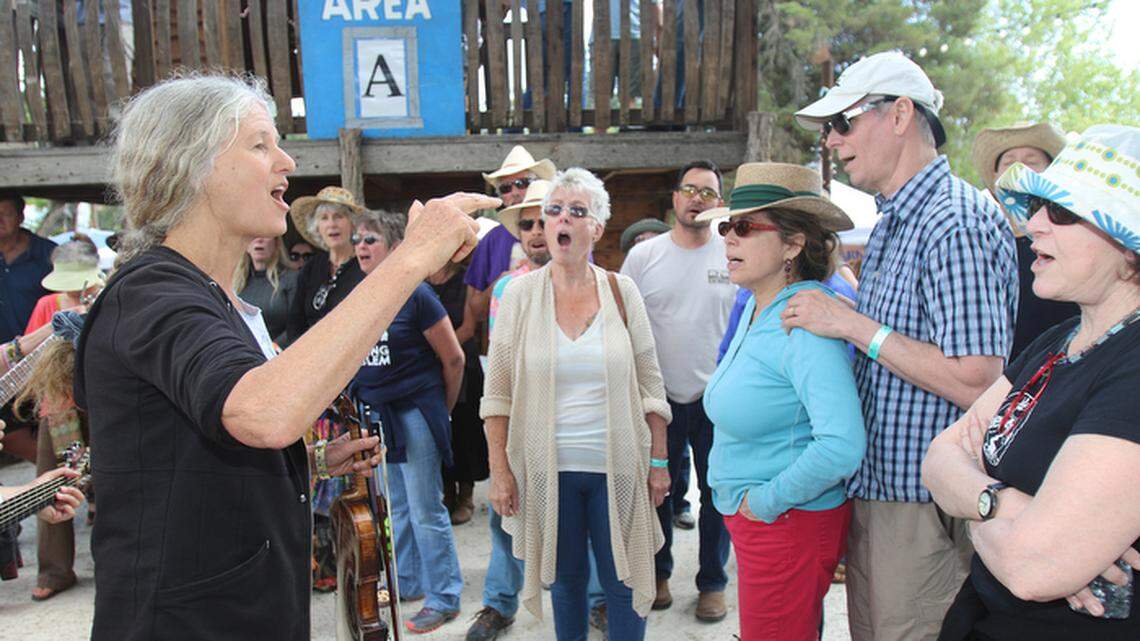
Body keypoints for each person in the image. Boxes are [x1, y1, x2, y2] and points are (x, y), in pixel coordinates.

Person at [74, 74, 491, 641]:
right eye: (260, 144)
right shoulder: (152, 294)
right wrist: (412, 256)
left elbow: (199, 457)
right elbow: (263, 414)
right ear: (193, 164)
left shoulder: (211, 297)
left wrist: (313, 463)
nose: (287, 162)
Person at [789, 51, 1019, 641]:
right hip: (890, 493)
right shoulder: (900, 218)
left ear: (898, 115)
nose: (834, 141)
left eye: (843, 122)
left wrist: (851, 325)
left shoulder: (951, 221)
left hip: (924, 504)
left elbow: (977, 378)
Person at [921, 124, 1140, 641]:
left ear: (1128, 247)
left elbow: (1031, 570)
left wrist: (972, 497)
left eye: (1060, 212)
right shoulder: (1059, 339)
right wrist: (1006, 506)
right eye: (1038, 206)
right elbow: (935, 459)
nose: (1034, 224)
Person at [483, 168, 671, 641]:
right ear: (544, 225)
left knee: (625, 581)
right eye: (553, 211)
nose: (563, 219)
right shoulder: (519, 295)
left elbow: (651, 384)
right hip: (549, 470)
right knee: (565, 584)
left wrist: (659, 462)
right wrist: (500, 471)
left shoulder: (620, 291)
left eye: (577, 211)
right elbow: (498, 392)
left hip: (619, 466)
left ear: (596, 228)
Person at [700, 162, 866, 640]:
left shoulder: (804, 321)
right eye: (726, 226)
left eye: (746, 227)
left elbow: (841, 443)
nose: (729, 237)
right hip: (767, 526)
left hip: (786, 525)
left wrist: (765, 502)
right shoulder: (758, 304)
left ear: (793, 244)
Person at [620, 160, 735, 621]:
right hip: (657, 399)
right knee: (657, 494)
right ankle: (659, 573)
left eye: (707, 191)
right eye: (688, 189)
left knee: (717, 494)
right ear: (674, 199)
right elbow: (622, 326)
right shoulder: (644, 258)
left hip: (719, 398)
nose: (696, 198)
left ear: (719, 202)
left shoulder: (733, 251)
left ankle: (712, 582)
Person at [350, 211, 467, 634]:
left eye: (371, 240)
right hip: (380, 416)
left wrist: (441, 410)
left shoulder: (417, 296)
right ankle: (410, 583)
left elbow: (454, 359)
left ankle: (444, 596)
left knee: (424, 508)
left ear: (396, 249)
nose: (361, 246)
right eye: (357, 240)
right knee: (395, 507)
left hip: (415, 412)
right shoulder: (360, 294)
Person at [285, 185, 369, 589]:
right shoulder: (313, 269)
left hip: (351, 384)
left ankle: (357, 559)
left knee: (348, 476)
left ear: (352, 222)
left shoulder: (363, 268)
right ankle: (324, 565)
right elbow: (297, 324)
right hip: (313, 385)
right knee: (317, 473)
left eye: (339, 216)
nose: (332, 224)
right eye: (325, 217)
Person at [972, 122, 1078, 360]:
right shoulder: (980, 246)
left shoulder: (1074, 244)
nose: (1020, 169)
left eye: (1031, 162)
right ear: (995, 178)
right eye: (1009, 163)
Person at [463, 146, 556, 346]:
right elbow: (475, 312)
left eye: (522, 183)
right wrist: (498, 285)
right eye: (506, 188)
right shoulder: (490, 240)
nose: (514, 192)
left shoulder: (564, 236)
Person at [236, 236, 298, 347]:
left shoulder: (292, 279)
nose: (259, 240)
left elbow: (298, 323)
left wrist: (274, 346)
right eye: (253, 235)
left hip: (281, 354)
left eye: (265, 235)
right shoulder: (236, 285)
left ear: (277, 243)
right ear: (245, 246)